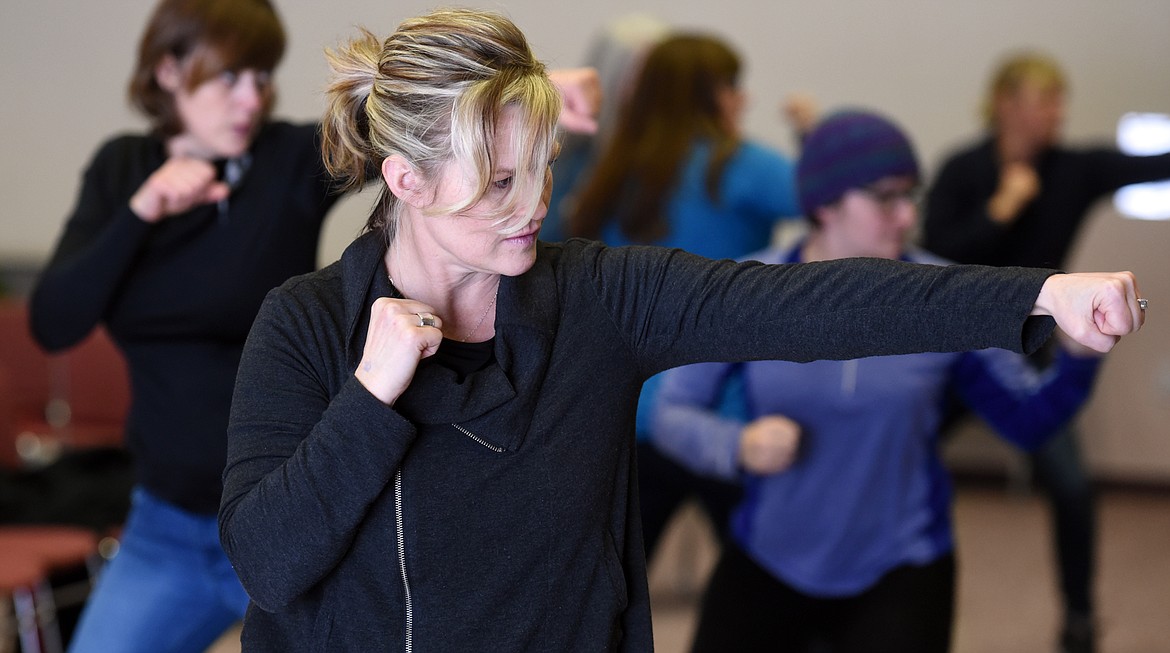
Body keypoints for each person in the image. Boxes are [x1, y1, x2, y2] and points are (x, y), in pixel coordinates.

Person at [216, 10, 1145, 651]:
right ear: (405, 181)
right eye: (500, 180)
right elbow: (269, 560)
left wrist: (1037, 294)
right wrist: (370, 395)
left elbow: (810, 305)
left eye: (543, 166)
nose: (533, 202)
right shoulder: (306, 326)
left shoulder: (597, 299)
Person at [27, 1, 600, 651]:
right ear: (167, 71)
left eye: (262, 77)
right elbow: (53, 321)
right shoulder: (122, 170)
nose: (253, 97)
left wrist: (538, 89)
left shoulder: (286, 162)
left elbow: (423, 128)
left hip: (311, 512)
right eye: (230, 78)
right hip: (169, 526)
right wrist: (143, 209)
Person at [652, 109, 1109, 653]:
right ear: (824, 204)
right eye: (886, 197)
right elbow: (671, 412)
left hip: (904, 564)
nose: (904, 217)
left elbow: (1029, 423)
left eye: (910, 197)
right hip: (770, 555)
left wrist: (1080, 358)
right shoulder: (750, 290)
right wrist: (736, 445)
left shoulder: (949, 300)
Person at [921, 51, 1170, 653]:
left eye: (1060, 101)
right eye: (1046, 100)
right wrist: (1001, 208)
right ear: (1007, 103)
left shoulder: (1074, 169)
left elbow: (1154, 163)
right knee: (889, 452)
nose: (1058, 113)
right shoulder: (962, 168)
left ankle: (1079, 618)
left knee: (1073, 487)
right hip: (951, 348)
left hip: (1029, 345)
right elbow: (931, 256)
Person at [566, 32, 801, 558]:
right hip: (728, 414)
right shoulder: (736, 165)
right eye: (734, 87)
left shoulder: (611, 169)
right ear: (714, 93)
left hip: (629, 409)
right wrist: (813, 133)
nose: (744, 100)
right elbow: (836, 200)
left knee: (610, 593)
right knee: (762, 581)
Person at [541, 13, 670, 242]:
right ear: (611, 72)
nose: (651, 88)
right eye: (641, 75)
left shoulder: (673, 155)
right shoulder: (569, 146)